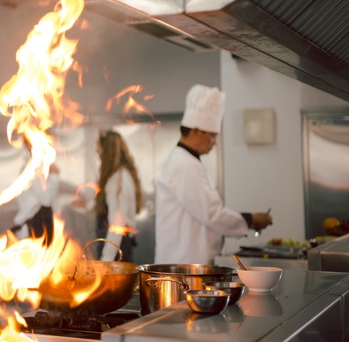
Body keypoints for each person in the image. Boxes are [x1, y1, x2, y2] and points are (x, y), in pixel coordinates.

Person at [154, 84, 273, 265]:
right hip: (183, 265)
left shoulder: (188, 161)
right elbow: (212, 214)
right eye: (212, 136)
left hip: (188, 262)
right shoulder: (184, 165)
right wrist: (251, 219)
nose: (215, 143)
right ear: (195, 130)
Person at [93, 131, 143, 262]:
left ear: (107, 151)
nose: (96, 151)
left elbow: (117, 224)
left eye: (99, 148)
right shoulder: (120, 176)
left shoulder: (118, 180)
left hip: (116, 247)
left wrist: (107, 260)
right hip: (117, 244)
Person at [10, 135, 60, 246]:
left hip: (33, 226)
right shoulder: (33, 169)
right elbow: (46, 200)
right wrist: (54, 176)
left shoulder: (37, 167)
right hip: (32, 229)